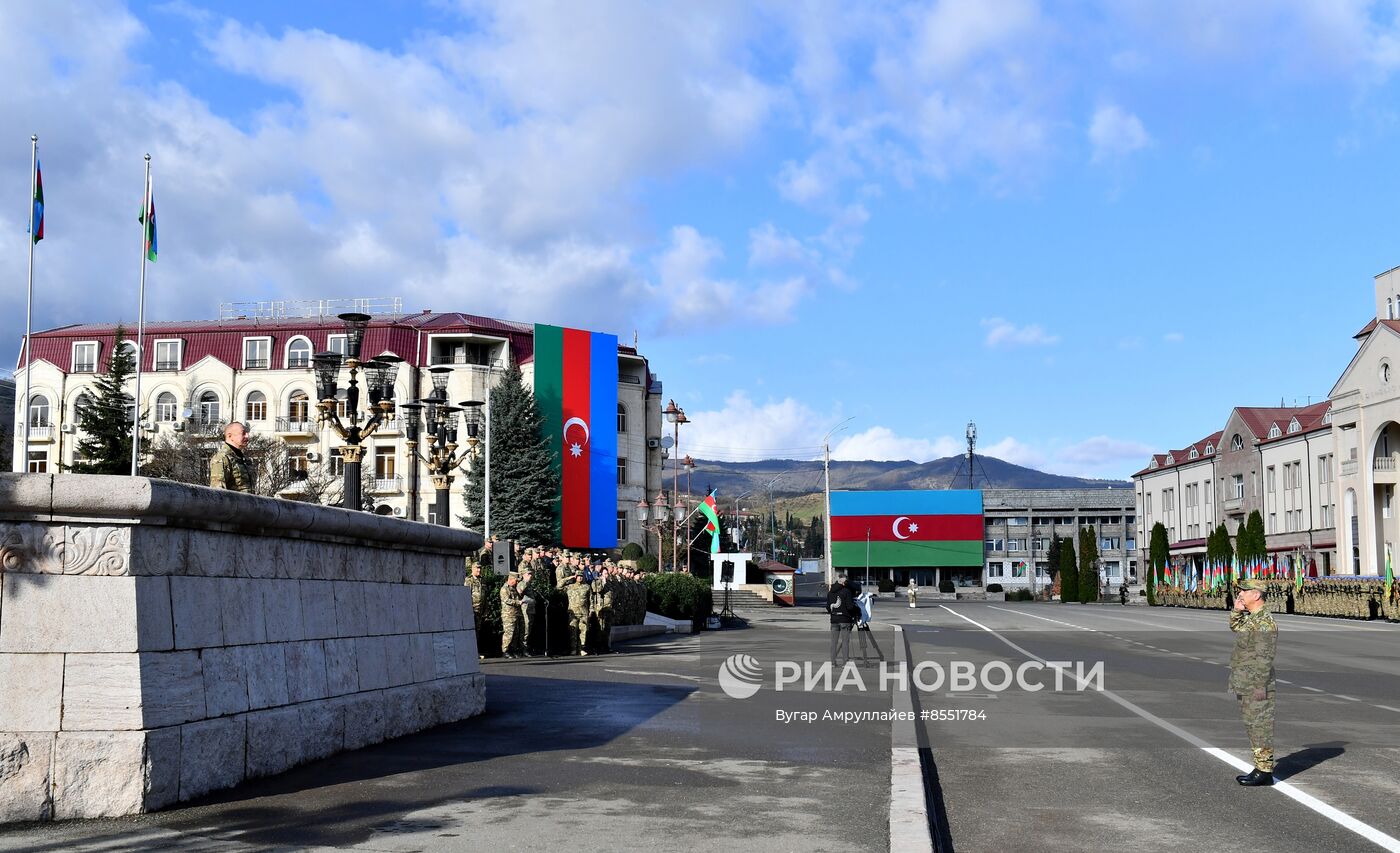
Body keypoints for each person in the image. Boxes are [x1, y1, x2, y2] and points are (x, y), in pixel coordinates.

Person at [1230, 578, 1278, 786]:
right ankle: (1260, 766)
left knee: (1260, 726)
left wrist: (1260, 686)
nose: (1240, 593)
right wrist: (1237, 610)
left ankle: (1264, 771)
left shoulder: (1265, 622)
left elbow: (1265, 657)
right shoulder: (1253, 619)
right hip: (1245, 680)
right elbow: (1236, 627)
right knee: (1252, 724)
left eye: (1245, 591)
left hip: (1257, 682)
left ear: (1256, 595)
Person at [209, 421, 254, 492]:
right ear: (230, 436)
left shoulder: (246, 460)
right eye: (243, 433)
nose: (247, 436)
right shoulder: (221, 458)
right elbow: (218, 493)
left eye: (247, 433)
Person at [828, 574, 859, 666]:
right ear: (844, 582)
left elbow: (828, 607)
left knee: (834, 641)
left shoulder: (830, 592)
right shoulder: (846, 591)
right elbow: (850, 607)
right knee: (845, 641)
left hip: (834, 619)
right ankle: (845, 662)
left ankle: (833, 662)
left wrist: (834, 612)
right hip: (845, 619)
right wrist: (856, 611)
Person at [500, 571, 524, 659]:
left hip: (516, 613)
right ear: (511, 579)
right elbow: (507, 600)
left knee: (516, 633)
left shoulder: (514, 588)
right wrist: (518, 602)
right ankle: (505, 650)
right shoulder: (504, 589)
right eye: (515, 580)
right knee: (509, 633)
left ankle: (513, 649)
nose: (517, 582)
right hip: (508, 615)